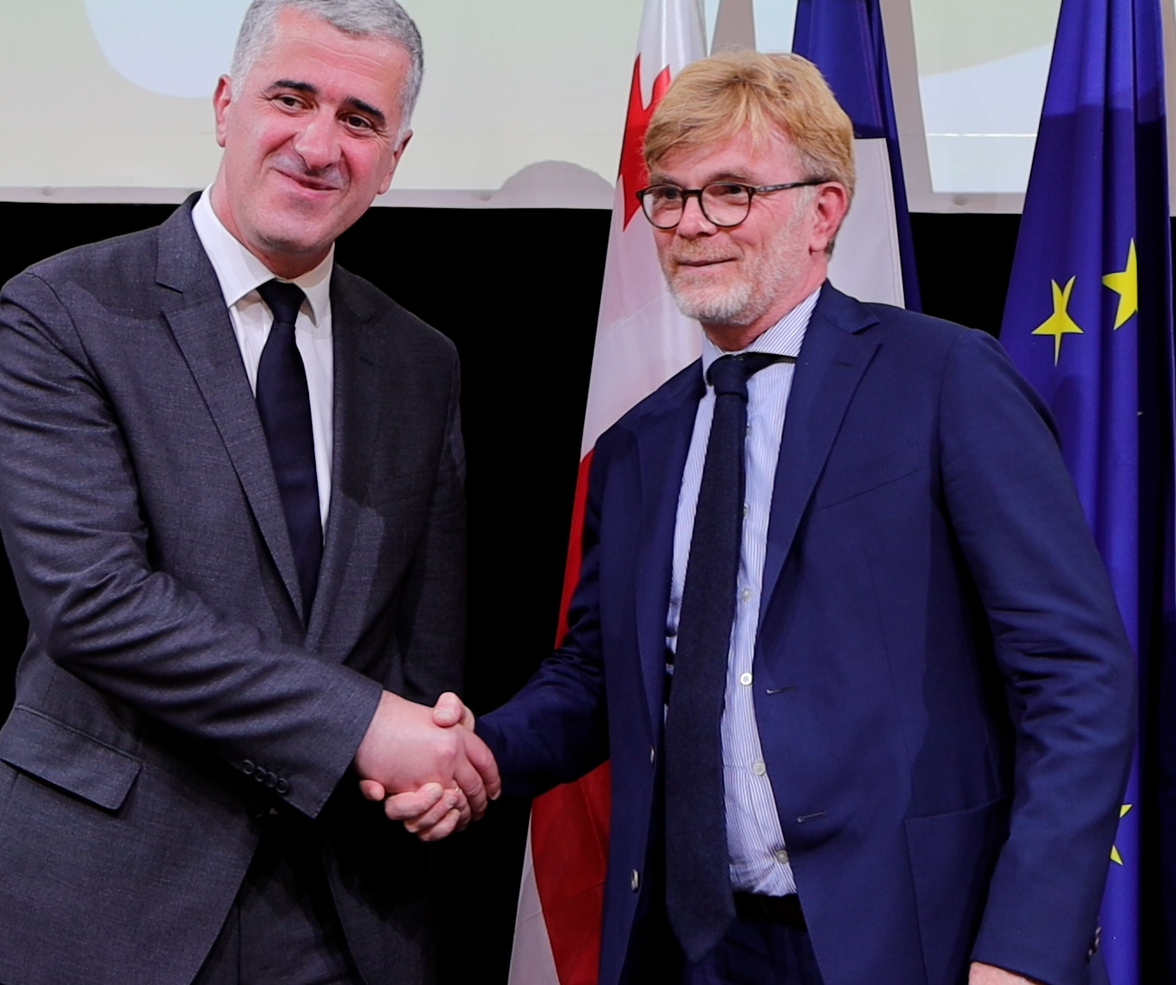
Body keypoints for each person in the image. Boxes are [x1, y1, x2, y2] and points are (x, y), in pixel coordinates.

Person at [384, 51, 1135, 985]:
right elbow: (600, 677)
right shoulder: (637, 447)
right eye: (670, 195)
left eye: (732, 192)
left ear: (824, 211)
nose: (692, 224)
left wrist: (1022, 952)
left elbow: (1076, 676)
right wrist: (482, 755)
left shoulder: (945, 380)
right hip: (692, 947)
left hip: (912, 942)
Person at [0, 0, 497, 985]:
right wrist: (363, 727)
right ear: (224, 106)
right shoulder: (67, 309)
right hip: (103, 905)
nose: (319, 144)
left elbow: (423, 641)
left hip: (340, 911)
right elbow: (93, 603)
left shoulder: (421, 360)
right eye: (292, 98)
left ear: (394, 159)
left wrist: (430, 774)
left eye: (360, 119)